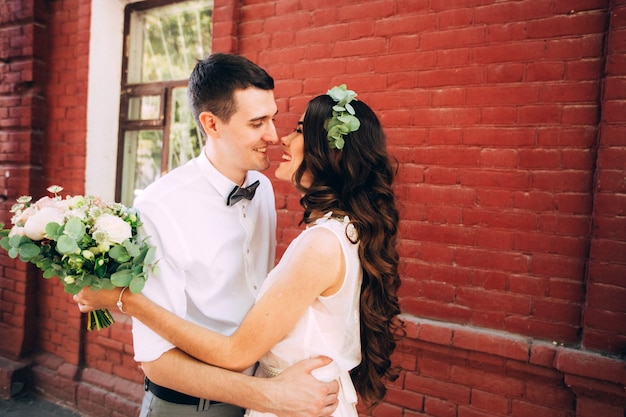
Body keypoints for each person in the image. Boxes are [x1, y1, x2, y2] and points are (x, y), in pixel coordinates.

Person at [76, 85, 404, 416]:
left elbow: (236, 352)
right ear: (212, 124)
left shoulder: (319, 242)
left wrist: (124, 299)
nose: (280, 138)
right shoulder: (343, 229)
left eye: (297, 130)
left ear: (332, 154)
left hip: (295, 402)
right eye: (258, 122)